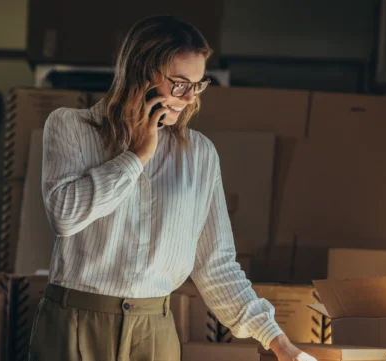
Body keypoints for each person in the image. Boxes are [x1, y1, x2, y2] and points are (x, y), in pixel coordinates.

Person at [28, 15, 317, 361]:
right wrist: (137, 156)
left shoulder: (200, 155)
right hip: (74, 323)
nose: (189, 97)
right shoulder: (71, 127)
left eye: (197, 84)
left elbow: (216, 265)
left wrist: (280, 344)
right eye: (179, 84)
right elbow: (64, 216)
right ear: (142, 72)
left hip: (154, 332)